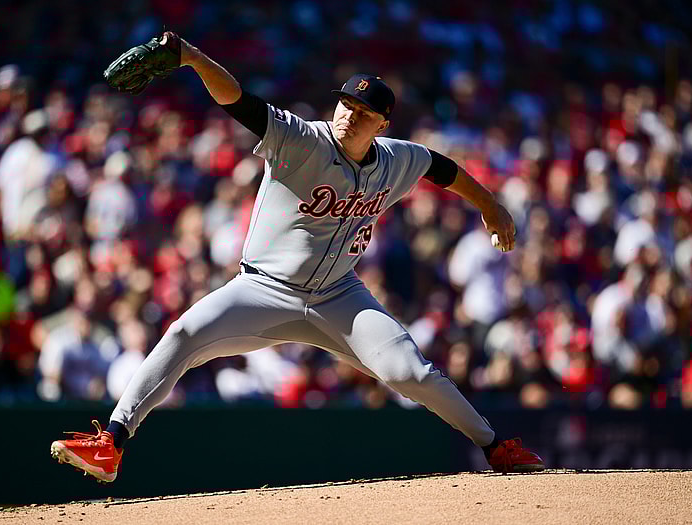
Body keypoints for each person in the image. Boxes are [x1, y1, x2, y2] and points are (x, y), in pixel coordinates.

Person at [50, 32, 544, 483]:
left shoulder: (397, 158)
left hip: (340, 296)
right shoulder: (301, 138)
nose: (350, 115)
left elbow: (443, 167)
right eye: (346, 104)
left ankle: (496, 446)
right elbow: (239, 102)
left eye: (364, 111)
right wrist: (192, 57)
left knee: (410, 372)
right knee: (182, 334)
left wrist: (491, 206)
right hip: (263, 288)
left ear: (383, 123)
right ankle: (110, 443)